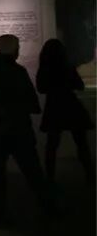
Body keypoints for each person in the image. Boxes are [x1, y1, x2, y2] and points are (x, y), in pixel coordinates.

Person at [0, 34, 50, 223]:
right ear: (14, 50)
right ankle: (48, 205)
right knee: (32, 170)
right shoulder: (18, 72)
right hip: (18, 129)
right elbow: (32, 103)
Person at [35, 38, 95, 186]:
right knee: (81, 143)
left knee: (52, 144)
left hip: (54, 106)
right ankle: (91, 175)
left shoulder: (44, 69)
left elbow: (41, 88)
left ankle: (50, 178)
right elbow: (79, 85)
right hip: (70, 104)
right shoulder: (67, 67)